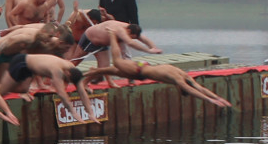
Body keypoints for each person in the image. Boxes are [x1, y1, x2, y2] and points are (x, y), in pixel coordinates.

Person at [85, 27, 232, 108]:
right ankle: (112, 35)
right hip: (140, 71)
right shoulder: (178, 80)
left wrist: (217, 98)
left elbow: (199, 88)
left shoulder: (183, 74)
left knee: (115, 69)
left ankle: (93, 72)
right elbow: (193, 90)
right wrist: (211, 100)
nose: (179, 88)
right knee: (117, 62)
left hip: (145, 67)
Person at [0, 52, 100, 124]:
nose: (66, 82)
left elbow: (82, 92)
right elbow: (61, 94)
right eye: (67, 80)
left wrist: (91, 113)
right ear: (67, 73)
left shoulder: (72, 69)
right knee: (2, 90)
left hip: (29, 68)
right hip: (20, 62)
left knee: (23, 89)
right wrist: (73, 112)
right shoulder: (57, 70)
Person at [78, 19, 161, 69]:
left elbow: (145, 39)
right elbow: (130, 42)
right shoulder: (120, 30)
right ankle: (66, 74)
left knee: (104, 66)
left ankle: (94, 81)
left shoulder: (132, 29)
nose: (132, 38)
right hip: (90, 37)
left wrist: (154, 48)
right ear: (128, 31)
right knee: (76, 59)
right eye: (131, 36)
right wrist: (149, 51)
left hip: (102, 43)